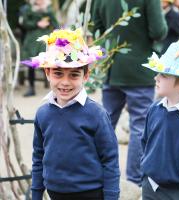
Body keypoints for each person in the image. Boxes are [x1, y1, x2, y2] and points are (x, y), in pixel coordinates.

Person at [21, 28, 120, 200]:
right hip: (54, 194)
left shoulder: (96, 114)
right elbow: (38, 156)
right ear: (47, 73)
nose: (65, 82)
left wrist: (111, 196)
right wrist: (36, 193)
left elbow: (110, 160)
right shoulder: (43, 114)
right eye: (58, 73)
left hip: (90, 194)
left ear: (86, 76)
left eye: (74, 75)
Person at [92, 0, 168, 186]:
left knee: (105, 122)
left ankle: (95, 174)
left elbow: (96, 26)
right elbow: (158, 31)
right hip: (139, 68)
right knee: (139, 126)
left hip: (111, 66)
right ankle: (133, 181)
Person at [141, 33, 179, 200]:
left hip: (178, 193)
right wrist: (144, 174)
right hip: (149, 186)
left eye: (164, 75)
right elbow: (145, 141)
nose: (156, 77)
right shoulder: (154, 108)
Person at [20, 0, 58, 96]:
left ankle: (54, 87)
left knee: (46, 63)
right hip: (31, 40)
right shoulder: (28, 8)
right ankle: (31, 88)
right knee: (31, 64)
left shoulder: (48, 9)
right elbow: (24, 23)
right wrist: (36, 24)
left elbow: (55, 24)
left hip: (43, 39)